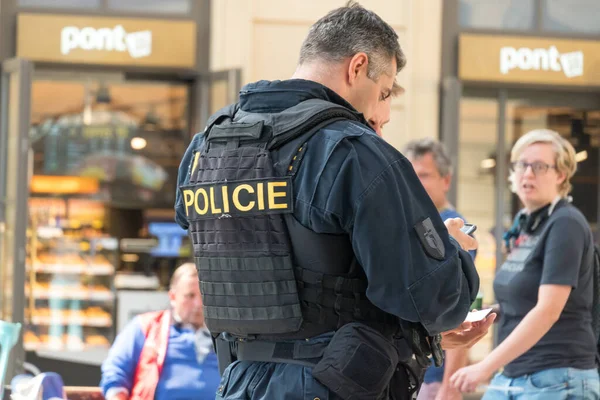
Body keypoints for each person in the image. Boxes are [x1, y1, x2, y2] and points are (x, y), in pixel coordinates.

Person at [175, 2, 495, 399]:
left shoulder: (208, 146)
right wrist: (455, 252)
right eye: (382, 91)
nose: (380, 114)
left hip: (239, 382)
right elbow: (431, 298)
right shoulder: (353, 151)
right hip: (331, 384)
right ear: (357, 66)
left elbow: (280, 269)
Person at [450, 129, 600, 399]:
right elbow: (522, 300)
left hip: (558, 377)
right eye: (522, 164)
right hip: (516, 374)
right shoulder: (528, 226)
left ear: (561, 175)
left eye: (540, 166)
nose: (528, 173)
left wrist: (485, 366)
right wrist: (483, 315)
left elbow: (547, 310)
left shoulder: (565, 222)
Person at [402, 139, 475, 400]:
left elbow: (460, 307)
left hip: (434, 378)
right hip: (404, 367)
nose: (415, 182)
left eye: (424, 175)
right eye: (411, 175)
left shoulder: (456, 228)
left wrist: (451, 385)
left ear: (446, 180)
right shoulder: (410, 222)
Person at [100, 263, 220, 400]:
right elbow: (115, 373)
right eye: (190, 296)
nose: (198, 304)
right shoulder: (146, 327)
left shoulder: (226, 334)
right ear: (173, 297)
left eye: (204, 296)